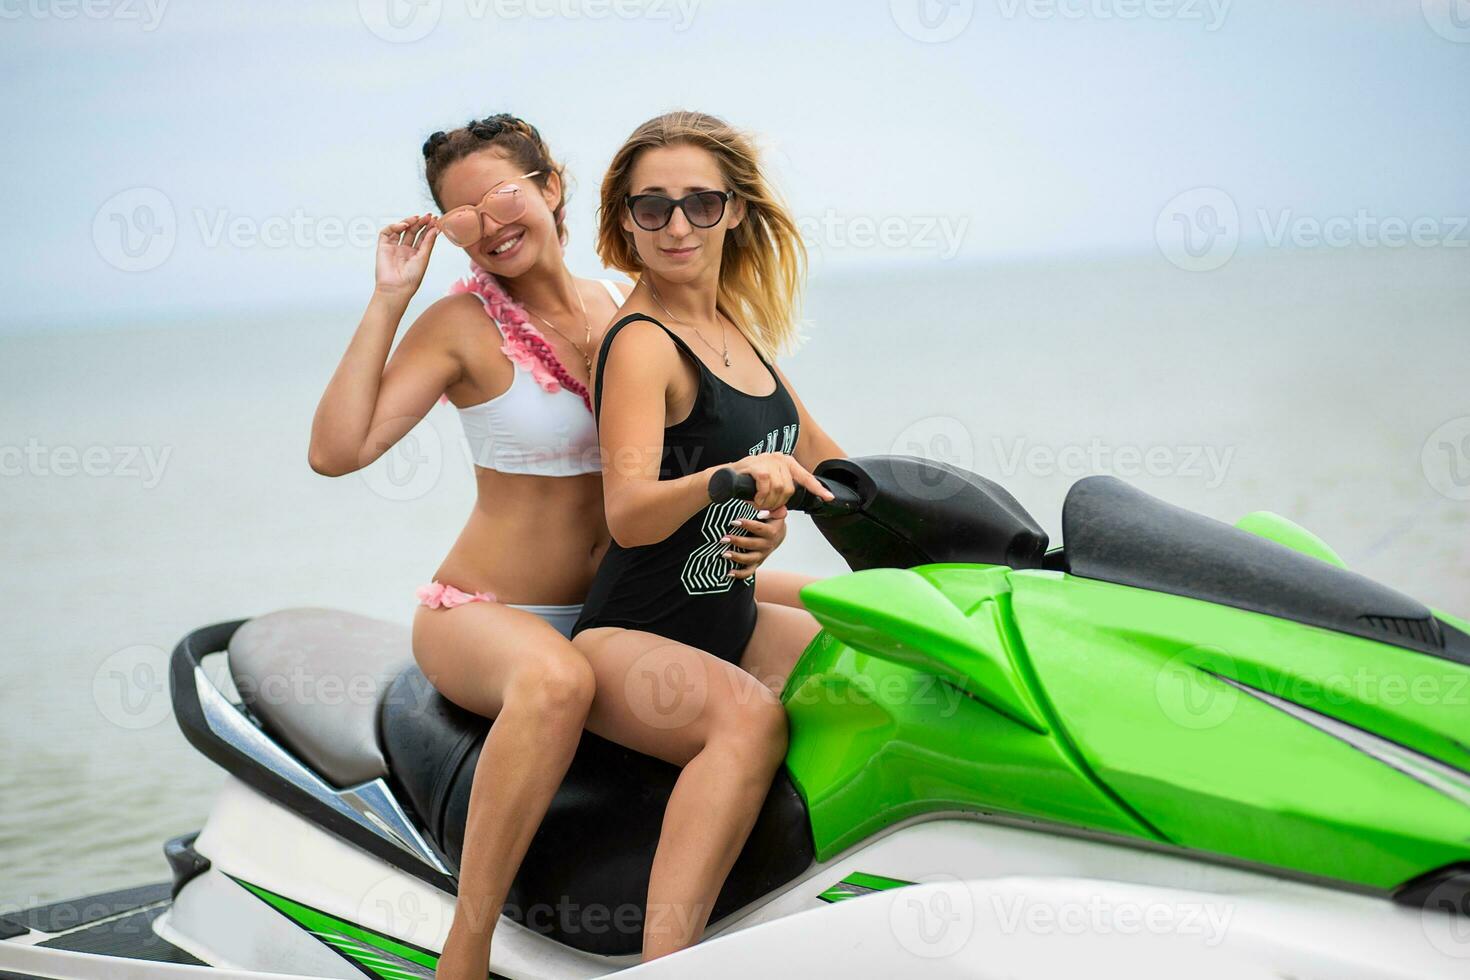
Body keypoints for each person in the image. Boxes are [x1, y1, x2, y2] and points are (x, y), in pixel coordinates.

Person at [306, 113, 799, 979]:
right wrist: (390, 297)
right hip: (487, 613)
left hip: (621, 606)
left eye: (503, 193)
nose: (490, 222)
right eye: (461, 213)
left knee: (812, 613)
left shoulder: (623, 307)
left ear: (551, 187)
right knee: (555, 680)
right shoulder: (459, 326)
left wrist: (763, 517)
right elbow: (337, 453)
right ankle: (468, 941)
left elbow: (701, 444)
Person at [570, 110, 847, 960]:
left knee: (868, 669)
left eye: (699, 203)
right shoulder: (642, 344)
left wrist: (963, 536)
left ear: (734, 210)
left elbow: (835, 473)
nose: (678, 225)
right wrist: (731, 482)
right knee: (750, 723)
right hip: (631, 636)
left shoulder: (735, 334)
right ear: (625, 221)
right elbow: (629, 510)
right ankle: (668, 963)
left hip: (729, 616)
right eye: (653, 207)